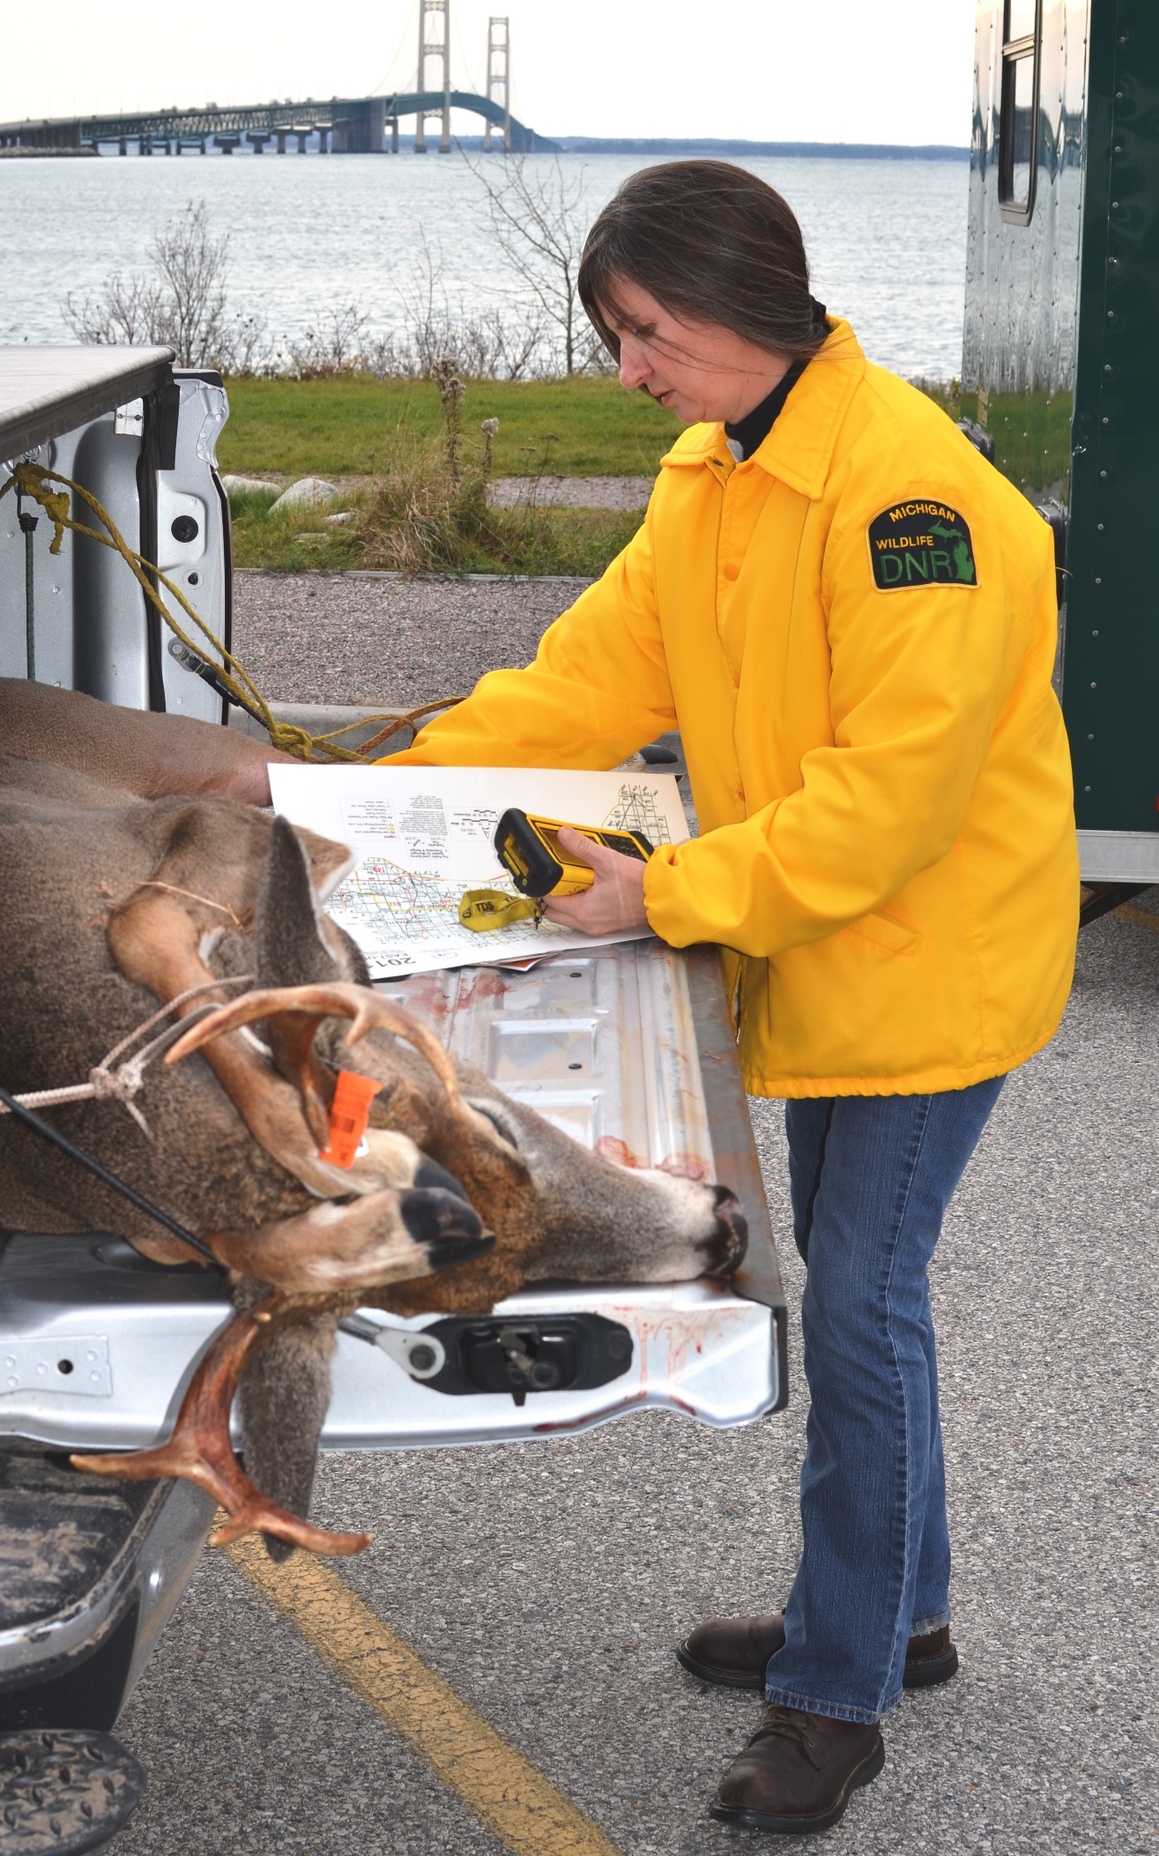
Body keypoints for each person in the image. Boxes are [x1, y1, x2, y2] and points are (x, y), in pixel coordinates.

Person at [384, 160, 1079, 1836]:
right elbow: (588, 673)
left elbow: (887, 802)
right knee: (856, 1294)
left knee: (857, 1308)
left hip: (930, 967)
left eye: (641, 333)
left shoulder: (917, 501)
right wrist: (381, 783)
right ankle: (894, 1616)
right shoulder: (717, 470)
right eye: (617, 335)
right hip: (833, 957)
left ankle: (837, 1694)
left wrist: (673, 892)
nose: (629, 370)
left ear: (728, 306)